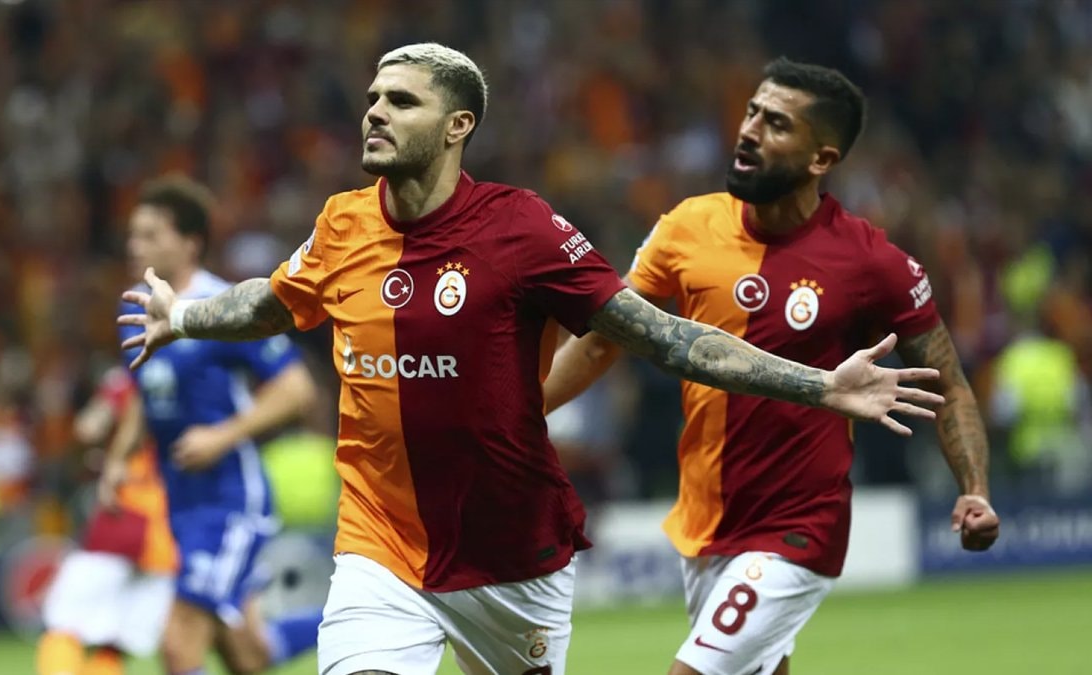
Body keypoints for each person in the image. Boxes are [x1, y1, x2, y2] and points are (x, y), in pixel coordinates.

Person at [118, 44, 944, 675]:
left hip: (511, 557)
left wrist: (819, 383)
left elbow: (665, 336)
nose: (375, 112)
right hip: (380, 542)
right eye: (372, 98)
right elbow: (268, 302)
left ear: (457, 126)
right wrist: (183, 315)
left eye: (401, 101)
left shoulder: (522, 230)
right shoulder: (342, 224)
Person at [543, 57, 1001, 675]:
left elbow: (951, 385)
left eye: (777, 124)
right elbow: (602, 341)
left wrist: (975, 489)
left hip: (798, 526)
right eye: (753, 112)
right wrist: (521, 414)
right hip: (707, 518)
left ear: (821, 158)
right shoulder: (686, 227)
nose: (750, 130)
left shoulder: (872, 264)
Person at [111, 175, 323, 675]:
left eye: (150, 235)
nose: (135, 246)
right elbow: (146, 392)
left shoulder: (222, 307)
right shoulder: (136, 305)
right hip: (181, 501)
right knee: (249, 655)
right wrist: (119, 459)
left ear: (190, 242)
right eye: (133, 234)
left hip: (230, 501)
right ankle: (349, 618)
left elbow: (297, 389)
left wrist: (222, 436)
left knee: (179, 644)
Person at [37, 366, 178, 675]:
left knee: (64, 621)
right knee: (118, 638)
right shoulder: (200, 376)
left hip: (125, 516)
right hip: (169, 533)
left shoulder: (135, 376)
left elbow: (89, 427)